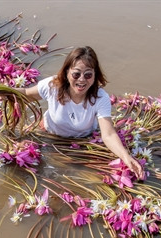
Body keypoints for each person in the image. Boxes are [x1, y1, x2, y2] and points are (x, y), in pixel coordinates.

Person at [20, 46, 144, 179]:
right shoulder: (52, 86)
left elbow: (108, 134)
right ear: (67, 72)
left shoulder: (100, 98)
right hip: (47, 135)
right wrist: (0, 91)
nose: (82, 79)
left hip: (80, 142)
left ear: (95, 75)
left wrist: (126, 157)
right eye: (76, 74)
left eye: (88, 74)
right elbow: (26, 94)